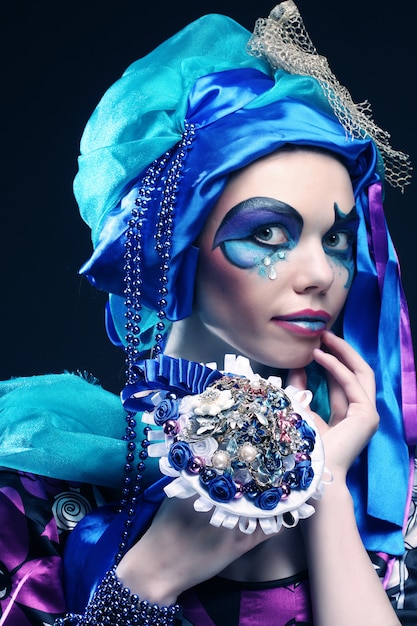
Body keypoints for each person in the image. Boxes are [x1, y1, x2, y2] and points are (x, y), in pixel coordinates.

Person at [0, 2, 416, 625]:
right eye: (270, 232)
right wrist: (154, 572)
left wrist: (322, 488)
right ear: (172, 252)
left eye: (335, 239)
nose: (321, 273)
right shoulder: (37, 487)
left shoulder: (394, 492)